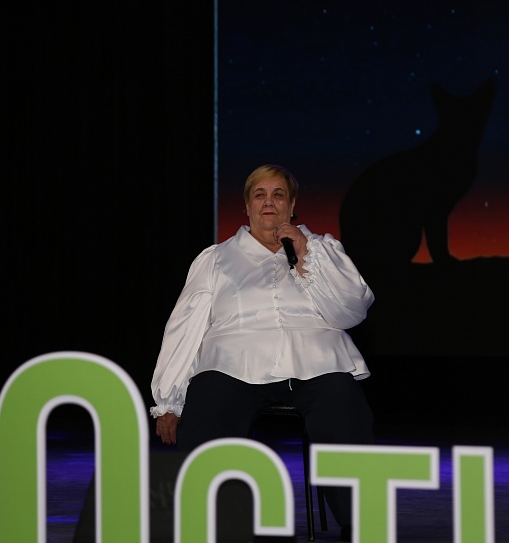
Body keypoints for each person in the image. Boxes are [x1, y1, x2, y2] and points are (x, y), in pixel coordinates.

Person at [149, 164, 374, 537]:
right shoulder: (216, 259)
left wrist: (306, 253)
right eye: (260, 195)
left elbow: (353, 310)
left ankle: (358, 522)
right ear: (248, 206)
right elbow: (185, 328)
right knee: (208, 402)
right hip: (235, 368)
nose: (269, 202)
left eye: (278, 194)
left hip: (316, 365)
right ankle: (216, 522)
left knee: (343, 402)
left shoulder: (322, 250)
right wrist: (169, 399)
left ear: (292, 206)